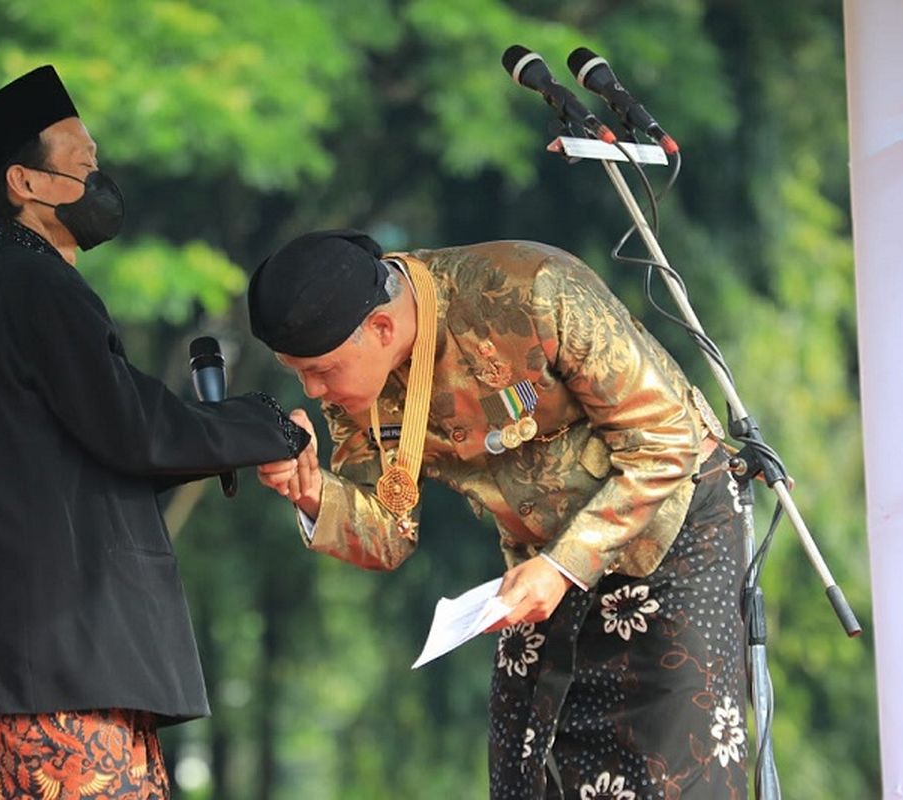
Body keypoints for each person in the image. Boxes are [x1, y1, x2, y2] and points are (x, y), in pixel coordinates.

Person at [250, 230, 747, 799]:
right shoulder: (356, 396)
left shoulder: (527, 289)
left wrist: (564, 566)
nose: (314, 392)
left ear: (382, 329)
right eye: (298, 374)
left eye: (321, 371)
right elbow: (388, 533)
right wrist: (313, 493)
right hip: (542, 567)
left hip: (675, 531)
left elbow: (664, 437)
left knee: (671, 777)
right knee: (527, 773)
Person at [0, 65, 309, 800]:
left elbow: (101, 444)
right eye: (82, 166)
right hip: (57, 667)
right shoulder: (30, 287)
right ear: (26, 184)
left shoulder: (4, 294)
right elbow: (132, 427)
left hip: (60, 666)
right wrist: (263, 426)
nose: (101, 181)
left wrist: (235, 433)